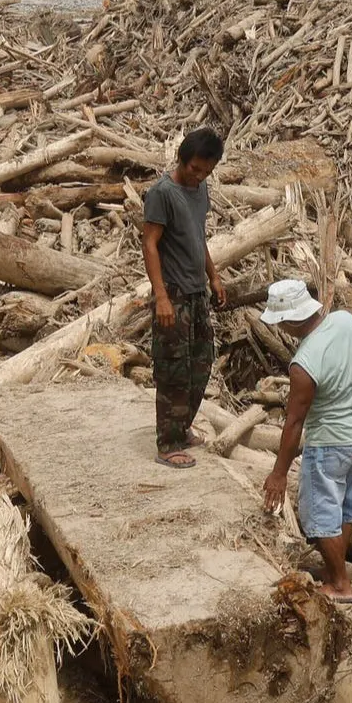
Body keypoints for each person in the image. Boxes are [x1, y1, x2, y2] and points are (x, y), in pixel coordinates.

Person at [260, 278, 352, 604]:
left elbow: (294, 422)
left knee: (321, 512)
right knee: (344, 509)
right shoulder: (348, 322)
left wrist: (279, 473)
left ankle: (340, 584)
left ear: (289, 320)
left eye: (280, 321)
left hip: (332, 441)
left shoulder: (304, 363)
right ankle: (334, 574)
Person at [141, 126, 227, 468]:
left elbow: (198, 236)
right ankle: (168, 442)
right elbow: (149, 244)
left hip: (197, 292)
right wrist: (161, 296)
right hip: (174, 293)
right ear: (182, 159)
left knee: (201, 364)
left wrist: (214, 275)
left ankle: (182, 426)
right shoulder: (162, 193)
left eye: (206, 171)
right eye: (194, 169)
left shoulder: (200, 189)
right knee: (173, 369)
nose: (199, 176)